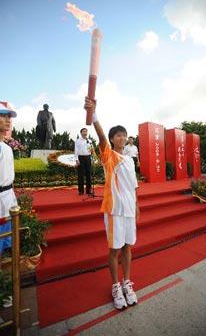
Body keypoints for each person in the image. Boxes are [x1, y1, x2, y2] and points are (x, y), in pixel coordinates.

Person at [84, 97, 140, 310]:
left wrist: (137, 205)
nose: (123, 138)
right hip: (114, 210)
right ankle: (115, 286)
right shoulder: (110, 157)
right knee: (114, 249)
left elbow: (134, 186)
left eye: (124, 135)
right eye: (118, 135)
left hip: (128, 210)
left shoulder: (129, 160)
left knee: (127, 247)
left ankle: (127, 282)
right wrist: (94, 114)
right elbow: (100, 137)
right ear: (112, 139)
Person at [0, 102, 18, 269]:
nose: (8, 120)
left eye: (9, 117)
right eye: (3, 116)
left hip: (8, 199)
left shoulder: (7, 148)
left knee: (7, 242)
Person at [74, 128, 93, 195]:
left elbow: (91, 150)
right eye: (84, 131)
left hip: (88, 158)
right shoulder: (77, 141)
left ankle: (88, 190)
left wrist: (92, 158)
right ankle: (81, 191)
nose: (85, 133)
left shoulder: (89, 140)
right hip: (81, 158)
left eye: (86, 132)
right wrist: (76, 159)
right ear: (81, 133)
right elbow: (76, 150)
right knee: (81, 175)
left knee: (89, 175)